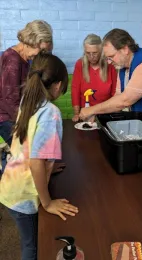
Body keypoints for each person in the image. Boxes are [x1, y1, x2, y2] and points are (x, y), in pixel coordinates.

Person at [0, 52, 79, 260]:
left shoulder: (29, 99)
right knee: (33, 247)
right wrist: (47, 203)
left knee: (30, 240)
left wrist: (49, 164)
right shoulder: (50, 112)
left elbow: (30, 148)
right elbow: (36, 162)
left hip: (10, 185)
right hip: (24, 195)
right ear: (58, 85)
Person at [79, 29, 142, 124]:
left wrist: (91, 110)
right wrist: (96, 113)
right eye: (107, 58)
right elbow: (118, 96)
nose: (109, 62)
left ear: (125, 49)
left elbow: (124, 100)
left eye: (111, 56)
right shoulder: (123, 66)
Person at [0, 20, 53, 174]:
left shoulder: (24, 59)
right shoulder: (13, 59)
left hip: (13, 114)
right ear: (32, 41)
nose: (39, 55)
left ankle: (41, 173)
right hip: (6, 117)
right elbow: (10, 99)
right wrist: (28, 124)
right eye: (40, 49)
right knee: (27, 156)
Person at [71, 33, 117, 122]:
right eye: (88, 53)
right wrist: (77, 113)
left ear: (101, 51)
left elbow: (114, 93)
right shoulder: (80, 64)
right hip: (85, 114)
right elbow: (75, 89)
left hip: (105, 113)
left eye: (95, 53)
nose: (91, 57)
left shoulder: (110, 65)